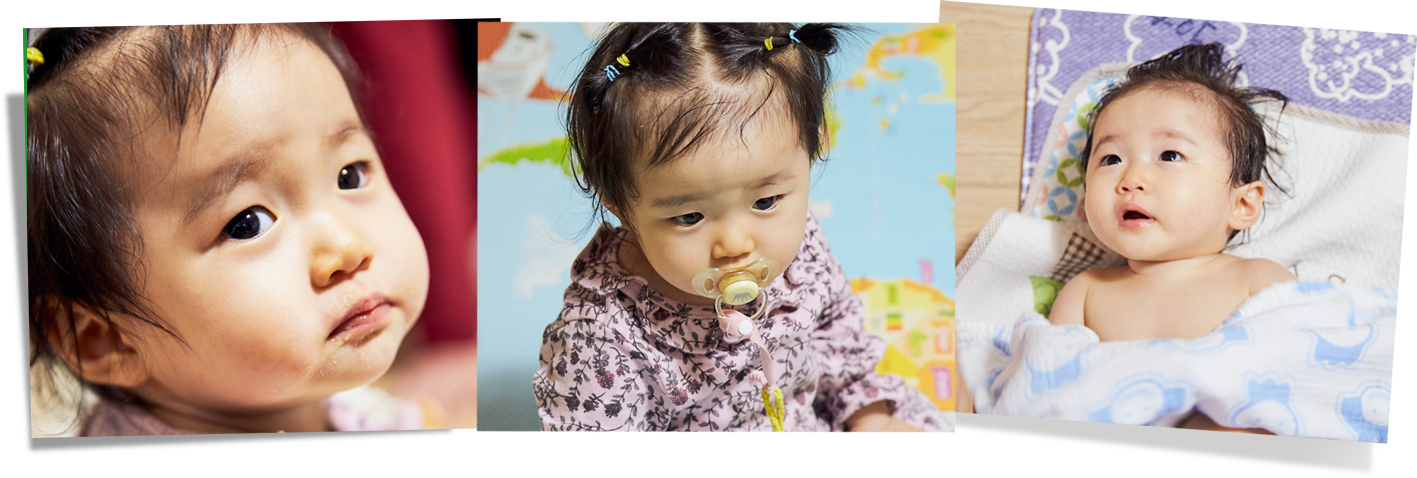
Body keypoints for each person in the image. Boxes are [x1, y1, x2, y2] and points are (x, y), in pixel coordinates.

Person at [532, 21, 951, 434]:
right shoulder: (601, 340)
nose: (735, 244)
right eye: (688, 217)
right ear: (620, 205)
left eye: (765, 202)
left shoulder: (799, 249)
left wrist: (869, 418)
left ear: (815, 144)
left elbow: (834, 327)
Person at [27, 19, 431, 435]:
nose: (348, 248)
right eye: (247, 224)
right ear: (103, 338)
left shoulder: (345, 405)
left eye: (350, 174)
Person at [1046, 43, 1296, 433]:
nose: (1131, 180)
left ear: (1242, 204)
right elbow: (1047, 389)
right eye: (1111, 160)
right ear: (1083, 205)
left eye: (1170, 155)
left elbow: (1303, 382)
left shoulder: (1260, 282)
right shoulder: (1086, 291)